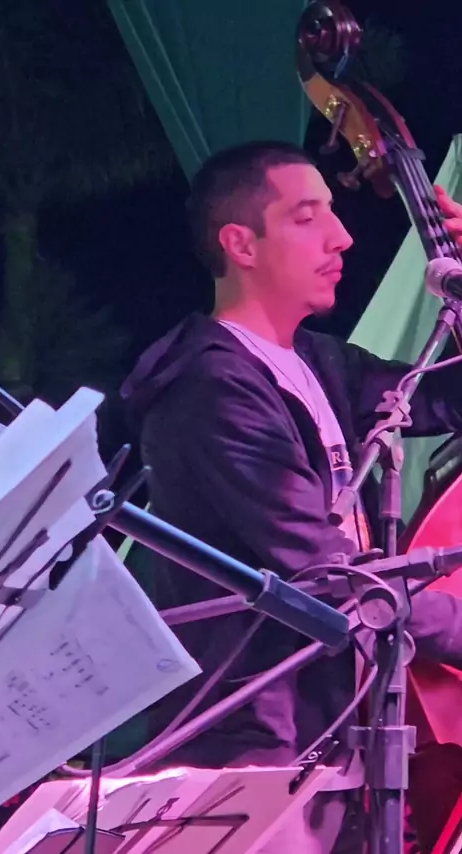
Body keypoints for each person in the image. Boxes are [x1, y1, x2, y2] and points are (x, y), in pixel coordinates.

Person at [120, 141, 462, 853]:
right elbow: (325, 577)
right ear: (241, 244)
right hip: (257, 754)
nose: (342, 237)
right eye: (308, 217)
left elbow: (449, 397)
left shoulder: (317, 362)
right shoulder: (211, 389)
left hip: (337, 736)